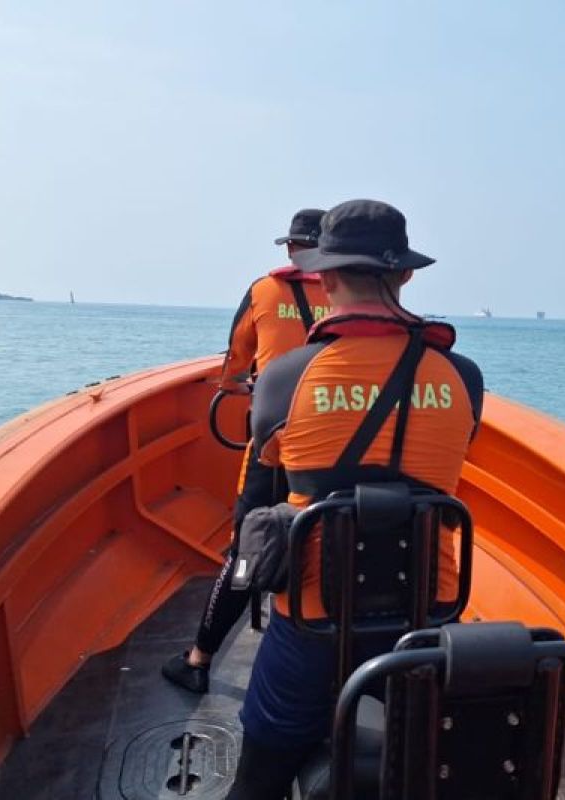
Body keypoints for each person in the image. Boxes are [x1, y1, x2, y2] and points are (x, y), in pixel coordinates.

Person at [226, 199, 484, 799]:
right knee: (412, 770)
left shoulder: (286, 376)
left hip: (314, 616)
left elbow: (270, 459)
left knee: (256, 783)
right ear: (407, 275)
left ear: (322, 275)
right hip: (428, 612)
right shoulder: (463, 376)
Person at [163, 208, 332, 693]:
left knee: (244, 551)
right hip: (335, 452)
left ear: (291, 249)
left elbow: (233, 369)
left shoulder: (264, 291)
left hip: (271, 449)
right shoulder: (352, 299)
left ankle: (199, 660)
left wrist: (251, 382)